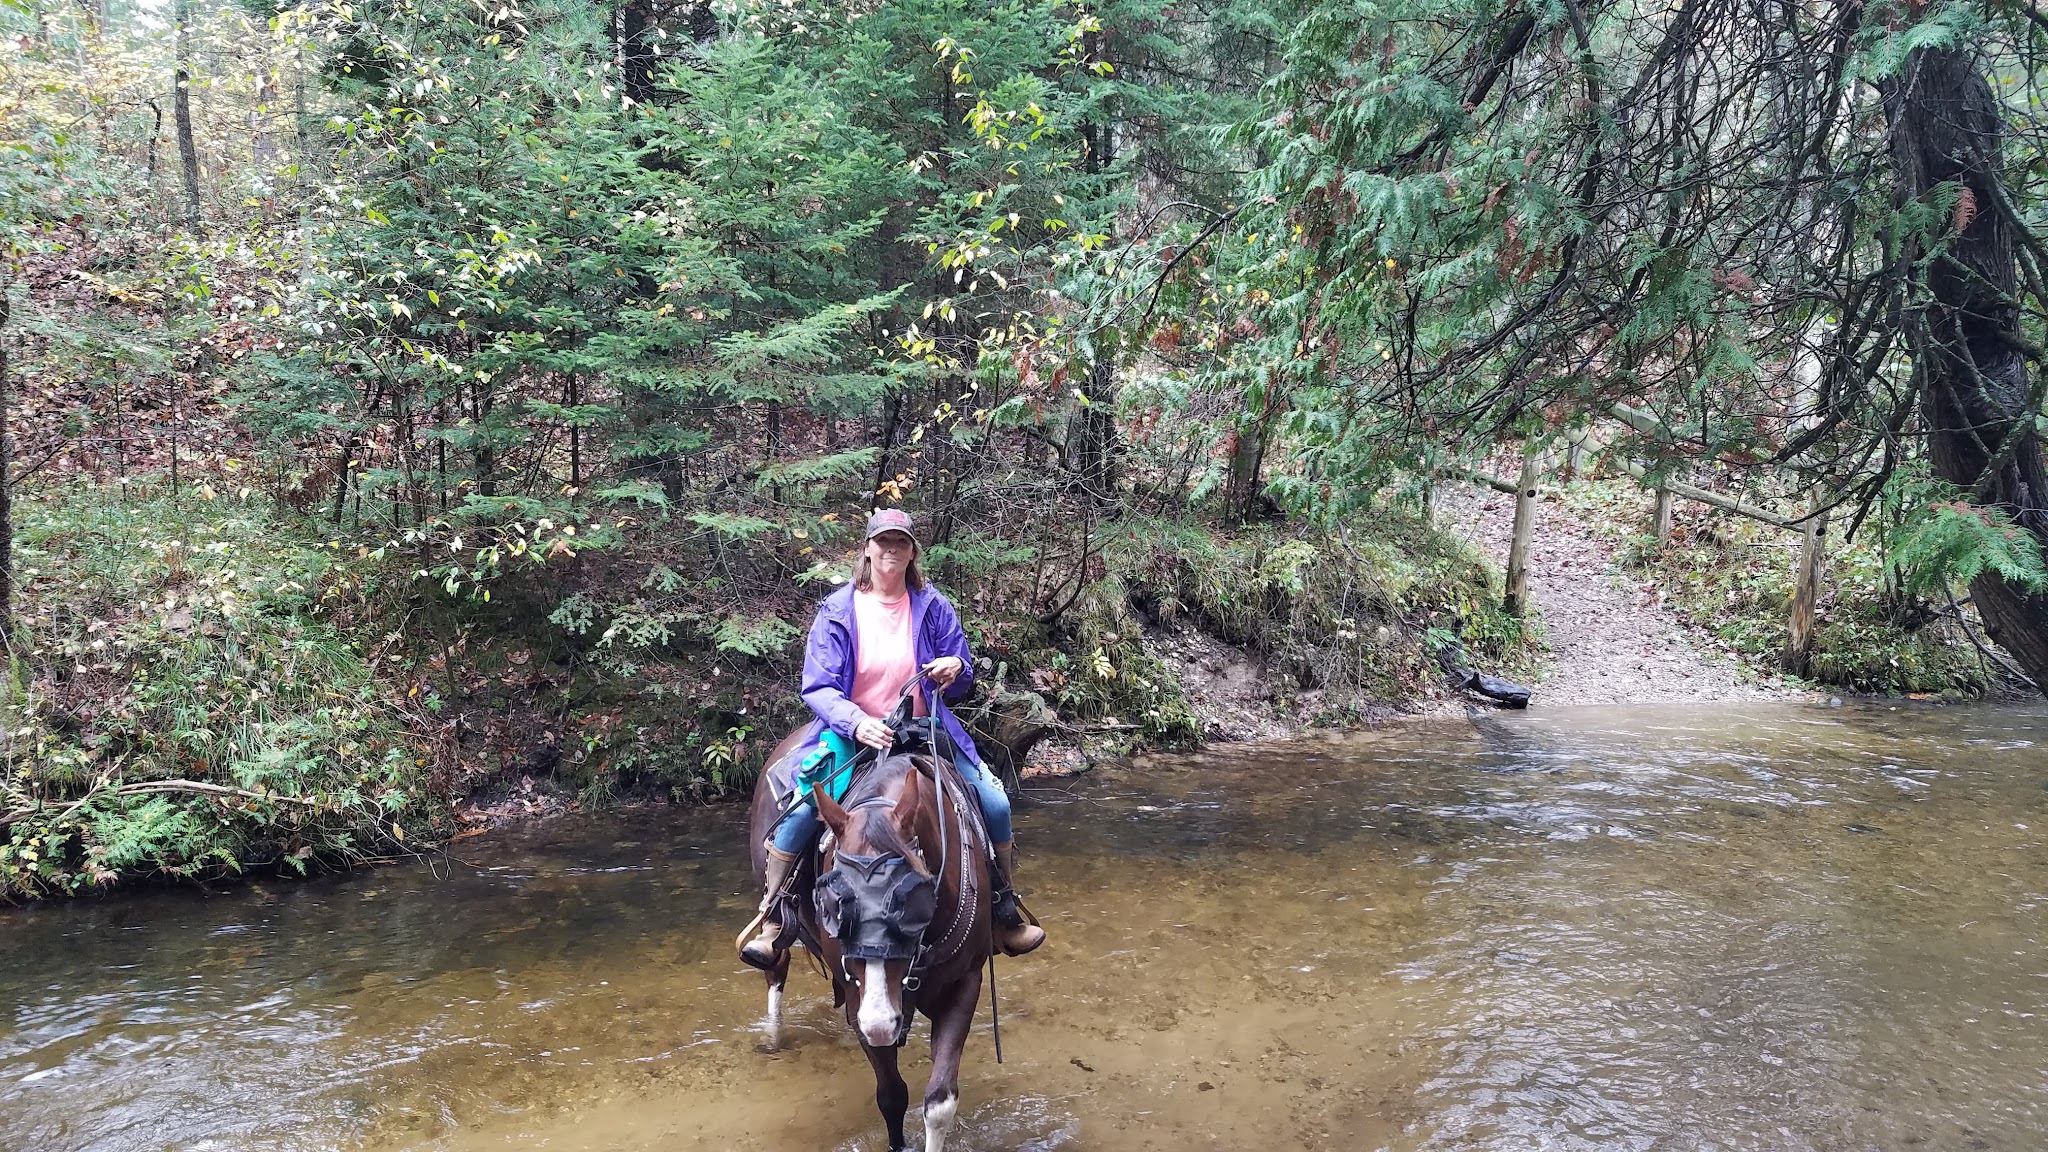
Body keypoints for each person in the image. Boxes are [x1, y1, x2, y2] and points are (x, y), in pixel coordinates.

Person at [740, 509, 1047, 969]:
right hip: (856, 732)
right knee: (807, 808)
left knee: (996, 803)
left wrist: (956, 668)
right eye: (882, 542)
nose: (890, 550)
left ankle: (1003, 911)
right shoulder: (838, 610)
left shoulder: (933, 605)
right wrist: (856, 721)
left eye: (900, 543)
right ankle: (776, 916)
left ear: (911, 552)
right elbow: (818, 686)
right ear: (867, 548)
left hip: (924, 731)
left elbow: (960, 680)